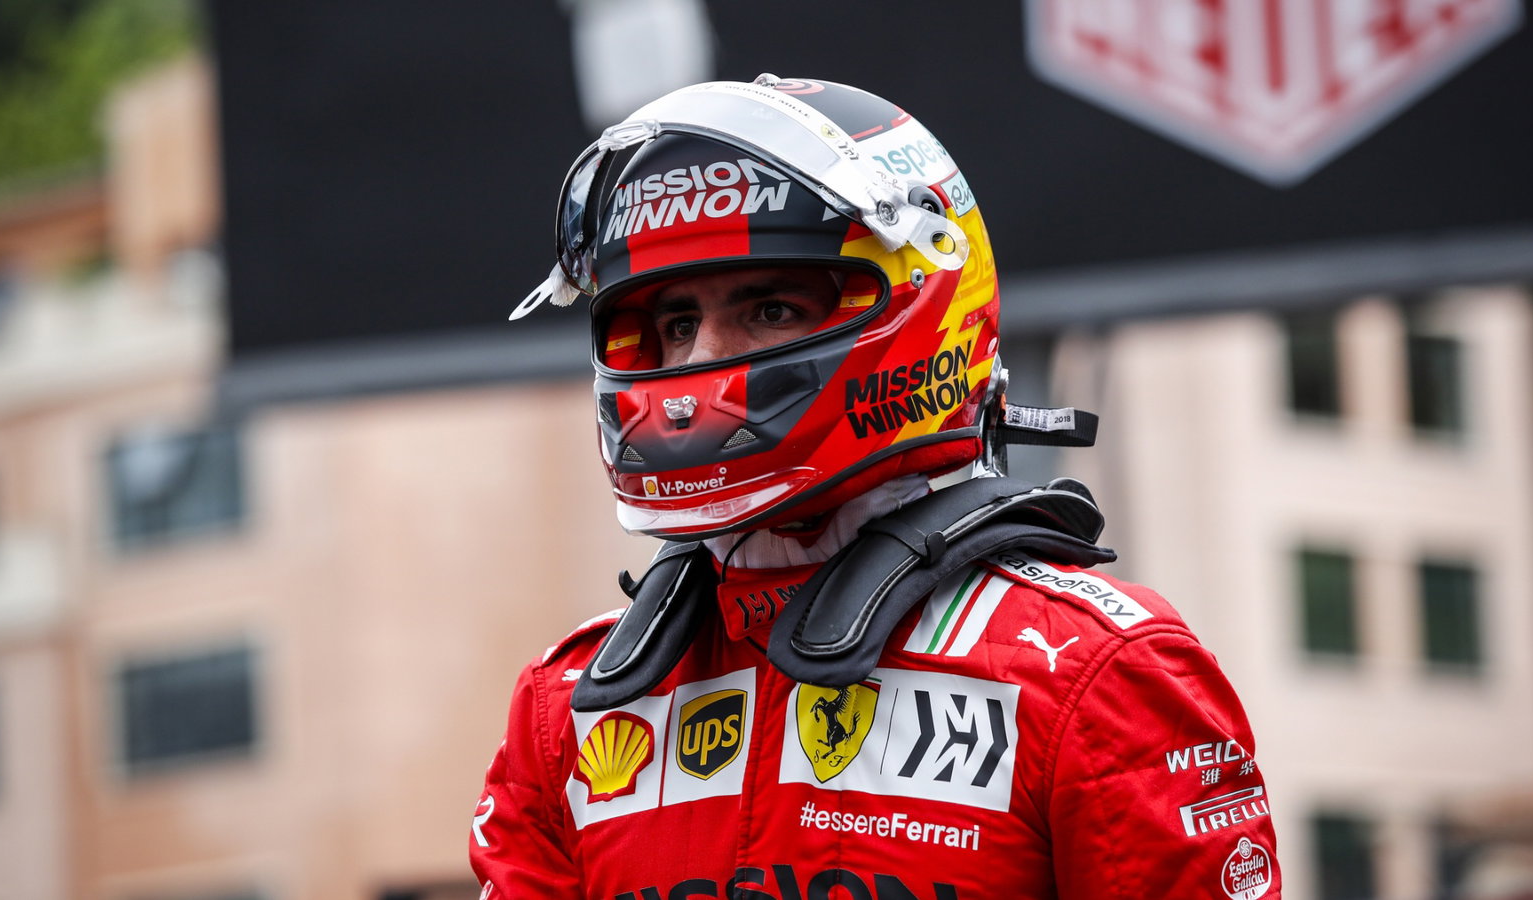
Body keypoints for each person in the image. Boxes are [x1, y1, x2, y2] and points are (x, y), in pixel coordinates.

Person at [472, 74, 1281, 900]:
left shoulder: (1096, 672)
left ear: (919, 306)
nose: (699, 359)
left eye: (770, 308)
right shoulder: (566, 706)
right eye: (678, 323)